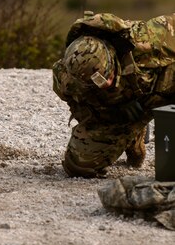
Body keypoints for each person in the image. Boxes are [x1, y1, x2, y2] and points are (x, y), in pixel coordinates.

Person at [53, 11, 175, 178]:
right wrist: (114, 112)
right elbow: (80, 108)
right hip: (122, 111)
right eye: (98, 84)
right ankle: (134, 134)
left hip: (164, 95)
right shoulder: (69, 78)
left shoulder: (148, 39)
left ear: (111, 58)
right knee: (79, 167)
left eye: (107, 77)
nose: (107, 84)